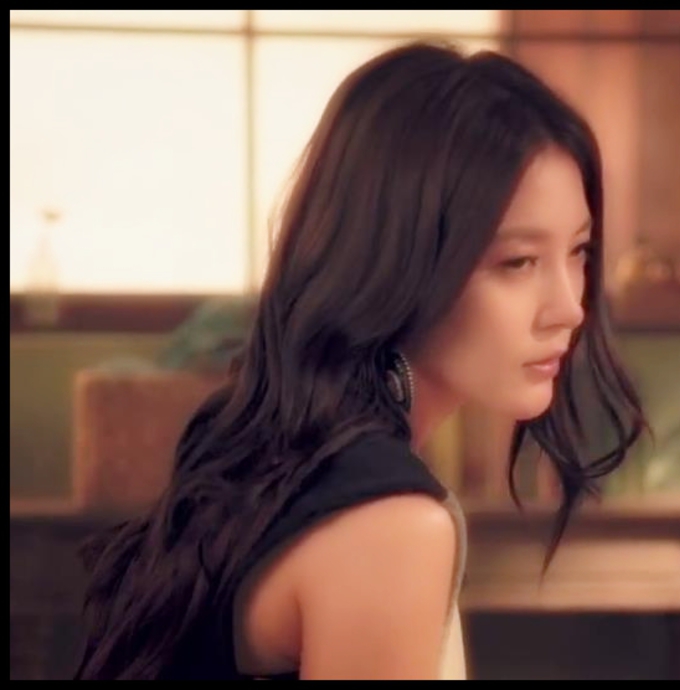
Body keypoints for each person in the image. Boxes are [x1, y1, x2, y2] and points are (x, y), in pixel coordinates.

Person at [73, 40, 647, 680]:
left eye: (579, 252)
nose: (569, 308)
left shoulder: (278, 455)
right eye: (518, 262)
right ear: (400, 260)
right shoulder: (390, 526)